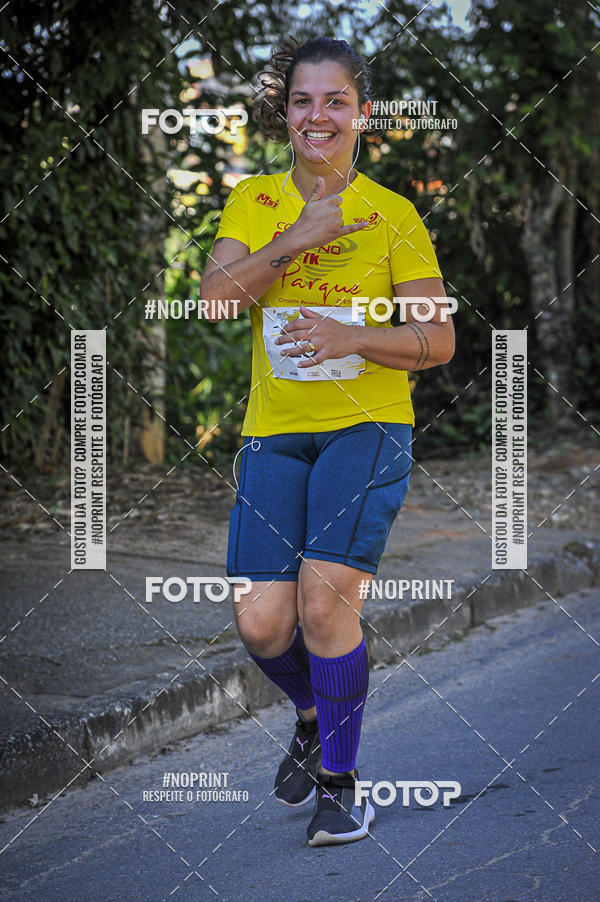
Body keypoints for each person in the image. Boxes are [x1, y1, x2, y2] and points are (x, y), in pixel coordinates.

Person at [200, 35, 455, 847]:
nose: (318, 116)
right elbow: (213, 300)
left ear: (361, 112)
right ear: (287, 112)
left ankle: (343, 786)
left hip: (367, 429)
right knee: (263, 625)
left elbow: (438, 342)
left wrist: (356, 334)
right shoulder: (253, 201)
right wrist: (297, 240)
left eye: (334, 100)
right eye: (303, 101)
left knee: (323, 603)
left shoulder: (397, 215)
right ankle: (313, 715)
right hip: (273, 434)